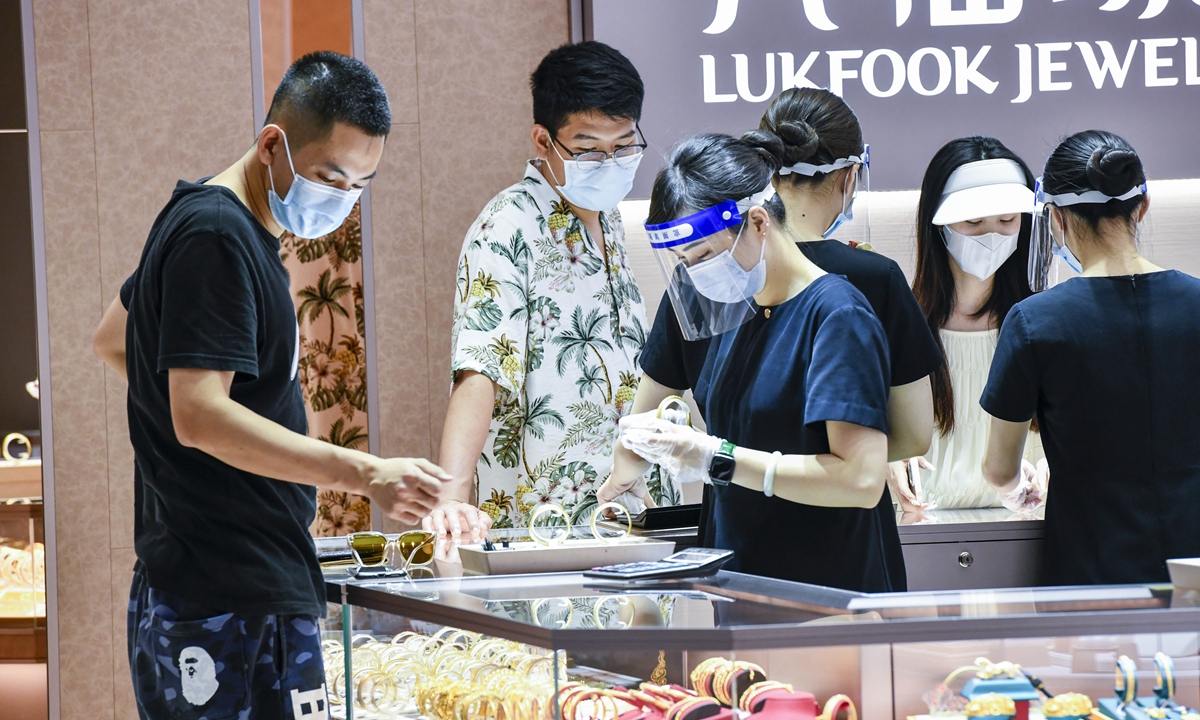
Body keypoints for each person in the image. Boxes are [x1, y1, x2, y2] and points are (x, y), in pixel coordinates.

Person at [92, 52, 448, 719]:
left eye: (359, 185)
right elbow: (200, 415)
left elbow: (116, 338)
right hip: (229, 590)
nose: (342, 198)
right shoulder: (216, 235)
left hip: (207, 581)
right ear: (271, 145)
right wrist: (366, 472)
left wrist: (185, 437)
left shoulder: (204, 218)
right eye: (329, 177)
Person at [598, 88, 940, 588]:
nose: (697, 274)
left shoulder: (837, 316)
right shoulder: (721, 307)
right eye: (686, 262)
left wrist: (716, 458)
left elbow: (862, 480)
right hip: (737, 576)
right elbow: (666, 413)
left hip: (827, 586)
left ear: (757, 221)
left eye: (704, 255)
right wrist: (633, 460)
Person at [433, 41, 653, 535]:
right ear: (542, 140)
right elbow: (481, 367)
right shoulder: (505, 226)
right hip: (546, 519)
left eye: (623, 146)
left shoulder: (611, 218)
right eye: (588, 149)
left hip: (631, 510)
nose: (609, 162)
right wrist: (451, 499)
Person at [980, 129, 1200, 585]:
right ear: (1142, 206)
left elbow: (999, 470)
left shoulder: (1035, 322)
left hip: (1090, 579)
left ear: (1056, 217)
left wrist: (1021, 488)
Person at [898, 137, 1045, 511]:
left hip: (1024, 523)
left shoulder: (1040, 324)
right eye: (973, 221)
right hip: (923, 526)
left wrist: (1049, 469)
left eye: (1007, 220)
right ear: (938, 223)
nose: (991, 235)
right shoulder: (900, 325)